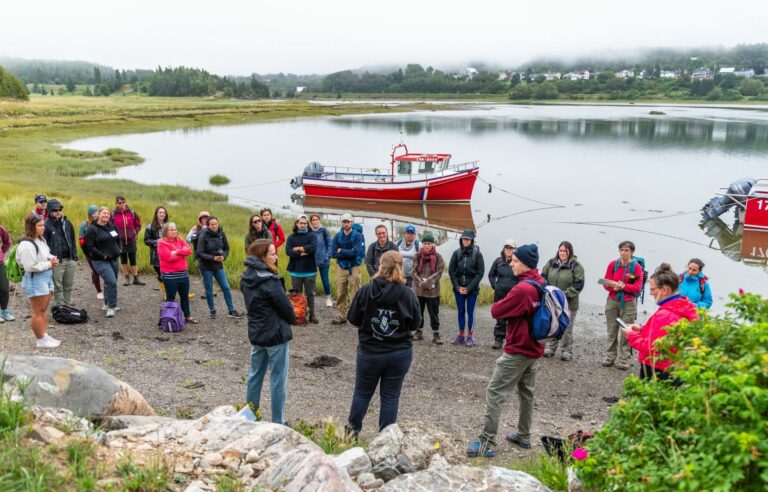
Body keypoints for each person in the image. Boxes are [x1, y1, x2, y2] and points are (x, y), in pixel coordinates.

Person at [467, 244, 543, 458]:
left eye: (515, 261)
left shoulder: (523, 289)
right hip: (534, 348)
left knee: (494, 392)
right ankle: (524, 435)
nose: (511, 263)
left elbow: (496, 310)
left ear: (526, 264)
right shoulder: (540, 282)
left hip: (518, 348)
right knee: (526, 393)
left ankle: (487, 442)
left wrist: (509, 303)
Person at [346, 251, 421, 437]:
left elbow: (353, 318)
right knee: (390, 396)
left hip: (370, 351)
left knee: (362, 393)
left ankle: (350, 434)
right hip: (399, 353)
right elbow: (416, 324)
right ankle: (386, 440)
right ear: (401, 267)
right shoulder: (408, 294)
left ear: (381, 265)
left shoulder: (366, 290)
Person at [242, 239, 296, 424]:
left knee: (255, 375)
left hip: (257, 332)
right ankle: (277, 422)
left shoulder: (246, 276)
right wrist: (292, 319)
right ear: (262, 256)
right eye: (272, 253)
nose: (276, 256)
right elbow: (287, 309)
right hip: (275, 335)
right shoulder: (270, 281)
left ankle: (249, 416)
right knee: (278, 379)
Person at [623, 263, 698, 381]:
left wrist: (631, 335)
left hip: (658, 368)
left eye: (653, 289)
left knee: (648, 398)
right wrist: (643, 329)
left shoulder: (665, 315)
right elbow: (667, 336)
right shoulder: (684, 307)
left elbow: (651, 347)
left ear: (665, 289)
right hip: (676, 368)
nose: (650, 293)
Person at [17, 215, 60, 348]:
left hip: (46, 275)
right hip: (36, 278)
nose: (43, 228)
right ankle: (40, 340)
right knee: (37, 311)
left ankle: (44, 335)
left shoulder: (40, 239)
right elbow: (30, 266)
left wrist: (53, 258)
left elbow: (46, 254)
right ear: (32, 227)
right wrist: (49, 264)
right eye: (40, 226)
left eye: (43, 225)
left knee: (43, 309)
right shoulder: (26, 245)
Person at [602, 240, 644, 370]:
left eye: (626, 250)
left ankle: (624, 360)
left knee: (626, 331)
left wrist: (624, 286)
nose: (623, 253)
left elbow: (638, 288)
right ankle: (610, 357)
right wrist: (613, 288)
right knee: (611, 330)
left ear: (631, 252)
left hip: (628, 303)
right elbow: (605, 283)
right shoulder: (612, 265)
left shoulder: (636, 267)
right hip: (613, 300)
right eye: (621, 250)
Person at [542, 241, 585, 361]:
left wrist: (561, 295)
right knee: (553, 324)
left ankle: (566, 350)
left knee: (567, 327)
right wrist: (548, 290)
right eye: (560, 250)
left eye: (565, 251)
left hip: (569, 303)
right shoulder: (551, 262)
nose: (562, 253)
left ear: (569, 252)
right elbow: (543, 276)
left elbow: (579, 285)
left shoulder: (576, 266)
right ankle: (551, 347)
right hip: (552, 301)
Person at [196, 216, 242, 319]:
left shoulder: (221, 234)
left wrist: (224, 257)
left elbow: (227, 248)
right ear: (208, 225)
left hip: (218, 265)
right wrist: (213, 258)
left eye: (216, 223)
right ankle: (212, 310)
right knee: (209, 290)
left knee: (226, 287)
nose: (214, 226)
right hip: (206, 266)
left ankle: (231, 310)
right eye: (212, 224)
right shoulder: (203, 235)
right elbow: (199, 252)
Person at [448, 229, 485, 347]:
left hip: (472, 290)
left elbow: (480, 273)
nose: (465, 241)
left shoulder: (477, 254)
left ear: (472, 240)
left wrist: (468, 288)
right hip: (458, 288)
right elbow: (451, 271)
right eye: (463, 239)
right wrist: (457, 286)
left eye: (467, 239)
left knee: (470, 312)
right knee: (460, 312)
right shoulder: (456, 253)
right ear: (461, 240)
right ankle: (460, 335)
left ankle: (470, 336)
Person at [85, 207, 122, 318]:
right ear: (98, 214)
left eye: (108, 214)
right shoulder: (92, 229)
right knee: (111, 281)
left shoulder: (111, 225)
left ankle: (107, 304)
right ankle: (111, 307)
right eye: (104, 213)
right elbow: (90, 247)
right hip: (100, 260)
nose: (106, 215)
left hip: (114, 259)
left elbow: (118, 239)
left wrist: (120, 249)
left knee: (110, 282)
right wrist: (103, 256)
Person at [158, 222, 197, 324]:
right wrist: (181, 252)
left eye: (175, 229)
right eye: (171, 230)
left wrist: (176, 252)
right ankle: (167, 318)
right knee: (170, 298)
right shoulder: (162, 243)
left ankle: (187, 316)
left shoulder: (179, 239)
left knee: (184, 296)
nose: (174, 231)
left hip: (183, 274)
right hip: (170, 276)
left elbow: (189, 250)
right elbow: (168, 258)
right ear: (166, 231)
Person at [330, 213, 364, 325]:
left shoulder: (357, 236)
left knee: (355, 293)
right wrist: (346, 253)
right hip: (341, 267)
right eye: (344, 222)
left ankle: (358, 317)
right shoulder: (337, 236)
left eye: (348, 222)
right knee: (340, 293)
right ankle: (342, 316)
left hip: (354, 266)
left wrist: (341, 251)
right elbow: (333, 253)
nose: (346, 224)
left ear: (351, 223)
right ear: (342, 223)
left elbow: (356, 252)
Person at [43, 199, 78, 308]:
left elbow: (72, 239)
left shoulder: (67, 222)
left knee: (68, 285)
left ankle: (67, 306)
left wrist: (74, 256)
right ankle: (60, 307)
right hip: (57, 261)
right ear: (49, 211)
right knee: (58, 286)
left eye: (60, 209)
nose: (58, 211)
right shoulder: (46, 225)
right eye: (55, 210)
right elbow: (44, 245)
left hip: (70, 259)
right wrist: (49, 260)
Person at [412, 231, 444, 344]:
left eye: (428, 243)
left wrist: (429, 281)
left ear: (433, 244)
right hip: (419, 290)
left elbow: (439, 272)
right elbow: (414, 271)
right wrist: (421, 281)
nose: (426, 245)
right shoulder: (417, 256)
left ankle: (436, 334)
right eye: (424, 243)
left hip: (433, 292)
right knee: (418, 312)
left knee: (433, 313)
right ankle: (418, 332)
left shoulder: (438, 257)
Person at [285, 215, 318, 323]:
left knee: (310, 294)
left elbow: (313, 248)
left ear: (307, 224)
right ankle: (298, 314)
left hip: (310, 271)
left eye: (305, 223)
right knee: (296, 295)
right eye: (300, 223)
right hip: (295, 271)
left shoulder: (312, 235)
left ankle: (312, 315)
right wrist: (301, 254)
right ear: (296, 223)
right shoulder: (291, 237)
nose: (303, 225)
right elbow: (288, 251)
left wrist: (299, 248)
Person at [488, 239, 519, 350]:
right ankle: (498, 340)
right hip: (500, 294)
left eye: (511, 248)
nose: (508, 250)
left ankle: (511, 341)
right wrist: (494, 286)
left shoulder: (518, 262)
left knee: (513, 319)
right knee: (500, 318)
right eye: (507, 248)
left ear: (515, 249)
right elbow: (491, 275)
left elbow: (522, 277)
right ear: (504, 249)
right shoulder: (498, 261)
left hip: (513, 296)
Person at [112, 195, 145, 286]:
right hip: (120, 241)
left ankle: (136, 278)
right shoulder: (113, 214)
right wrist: (116, 237)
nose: (122, 204)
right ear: (116, 203)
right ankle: (127, 278)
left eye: (123, 202)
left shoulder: (132, 213)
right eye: (119, 202)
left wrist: (134, 232)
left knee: (133, 259)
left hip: (131, 240)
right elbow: (110, 227)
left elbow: (138, 224)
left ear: (126, 202)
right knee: (123, 259)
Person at [78, 205, 102, 300]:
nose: (96, 214)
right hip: (89, 252)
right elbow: (80, 239)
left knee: (100, 270)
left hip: (100, 251)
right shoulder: (84, 225)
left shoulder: (101, 223)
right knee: (96, 271)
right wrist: (86, 251)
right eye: (94, 213)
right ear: (90, 214)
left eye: (97, 212)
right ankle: (99, 290)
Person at [144, 206, 169, 298]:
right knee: (160, 274)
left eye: (163, 212)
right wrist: (157, 241)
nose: (162, 214)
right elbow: (146, 241)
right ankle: (165, 292)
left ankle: (172, 291)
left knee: (170, 274)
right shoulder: (150, 226)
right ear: (156, 214)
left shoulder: (169, 225)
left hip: (169, 254)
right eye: (160, 212)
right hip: (156, 255)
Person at [309, 214, 333, 307]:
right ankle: (311, 298)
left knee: (325, 280)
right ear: (311, 222)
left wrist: (327, 256)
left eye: (316, 219)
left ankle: (328, 298)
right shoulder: (309, 231)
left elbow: (330, 245)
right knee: (311, 280)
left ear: (319, 220)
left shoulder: (324, 231)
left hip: (324, 260)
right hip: (311, 260)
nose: (315, 221)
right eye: (313, 220)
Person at [0, 224, 15, 323]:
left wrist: (1, 253)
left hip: (0, 263)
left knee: (4, 288)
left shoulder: (1, 229)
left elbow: (7, 242)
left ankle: (4, 310)